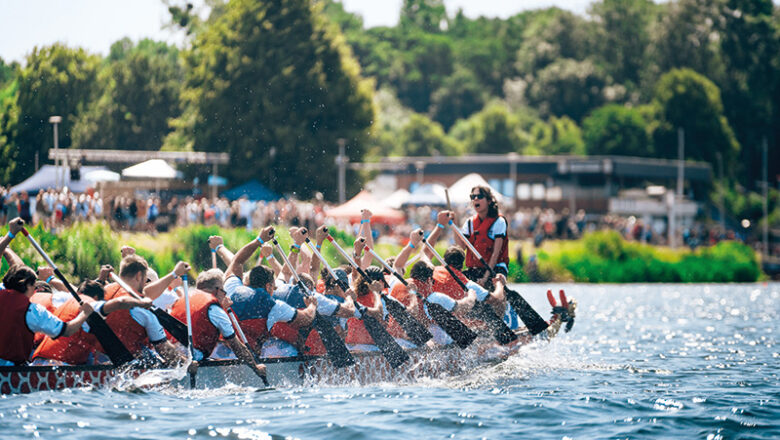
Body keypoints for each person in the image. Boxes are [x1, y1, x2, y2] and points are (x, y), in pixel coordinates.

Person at [0, 218, 92, 365]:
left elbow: (17, 268)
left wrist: (10, 236)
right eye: (34, 286)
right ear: (28, 286)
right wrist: (85, 314)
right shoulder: (32, 310)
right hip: (13, 372)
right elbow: (67, 330)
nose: (35, 290)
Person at [219, 228, 317, 357]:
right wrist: (313, 306)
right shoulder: (274, 305)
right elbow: (306, 318)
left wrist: (259, 240)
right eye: (274, 287)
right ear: (269, 286)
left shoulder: (234, 289)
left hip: (220, 350)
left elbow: (237, 261)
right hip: (248, 355)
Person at [168, 268, 266, 379]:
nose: (225, 295)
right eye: (224, 291)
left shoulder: (184, 299)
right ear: (218, 290)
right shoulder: (215, 310)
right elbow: (236, 346)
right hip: (190, 357)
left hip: (169, 351)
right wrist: (256, 368)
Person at [32, 280, 155, 365]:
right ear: (97, 297)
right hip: (58, 368)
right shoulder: (92, 305)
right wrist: (142, 303)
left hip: (37, 363)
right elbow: (120, 302)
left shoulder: (66, 302)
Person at [102, 254, 189, 366]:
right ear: (139, 276)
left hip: (98, 360)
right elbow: (165, 351)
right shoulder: (143, 310)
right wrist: (187, 364)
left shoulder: (104, 290)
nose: (145, 285)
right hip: (129, 364)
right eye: (145, 280)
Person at [454, 186, 509, 287]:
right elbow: (461, 248)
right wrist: (454, 225)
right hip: (475, 269)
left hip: (496, 268)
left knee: (497, 280)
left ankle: (501, 297)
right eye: (473, 196)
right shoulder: (469, 223)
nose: (475, 199)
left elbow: (495, 253)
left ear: (488, 201)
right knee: (456, 282)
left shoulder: (499, 221)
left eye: (479, 196)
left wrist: (485, 278)